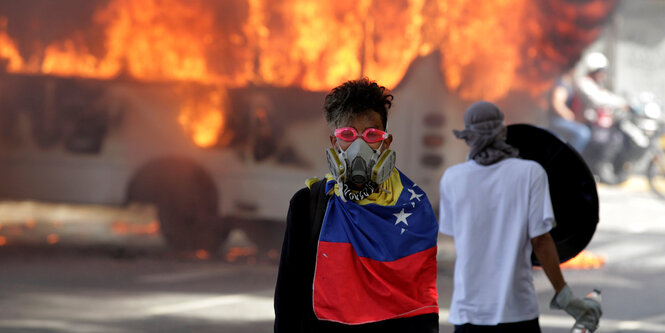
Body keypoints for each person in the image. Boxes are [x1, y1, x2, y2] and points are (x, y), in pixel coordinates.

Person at [274, 78, 440, 333]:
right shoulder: (308, 205)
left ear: (387, 141)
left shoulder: (414, 208)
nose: (359, 146)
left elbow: (421, 309)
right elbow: (288, 301)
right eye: (348, 134)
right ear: (334, 142)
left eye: (372, 134)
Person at [438, 101, 602, 332]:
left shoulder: (452, 178)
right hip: (516, 310)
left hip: (467, 311)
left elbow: (461, 236)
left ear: (468, 136)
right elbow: (541, 241)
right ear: (503, 131)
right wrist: (564, 295)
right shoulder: (530, 172)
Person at [548, 67, 591, 153]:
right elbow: (558, 104)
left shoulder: (568, 83)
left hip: (562, 120)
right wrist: (570, 117)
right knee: (582, 133)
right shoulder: (562, 85)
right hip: (556, 120)